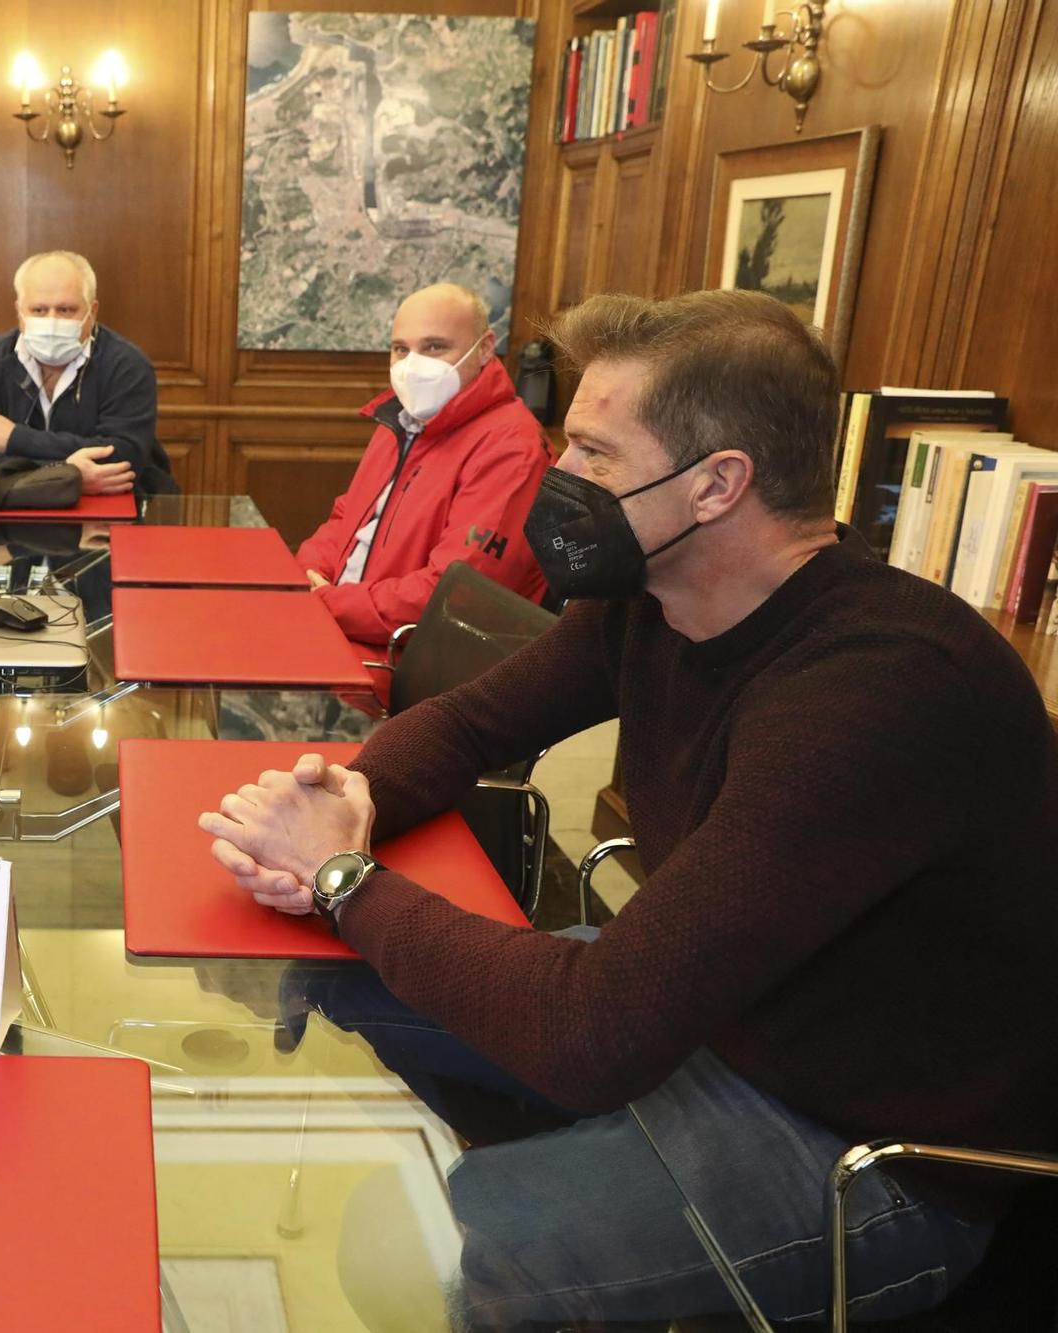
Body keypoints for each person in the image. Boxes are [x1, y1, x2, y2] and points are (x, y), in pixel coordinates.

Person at [201, 289, 1058, 1326]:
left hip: (866, 1153)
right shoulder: (657, 599)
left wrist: (341, 873)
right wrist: (342, 798)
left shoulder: (874, 692)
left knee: (470, 1252)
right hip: (712, 1018)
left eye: (594, 456)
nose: (556, 478)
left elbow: (594, 1029)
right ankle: (575, 1184)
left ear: (715, 484)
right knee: (332, 973)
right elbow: (468, 724)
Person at [295, 283, 550, 645]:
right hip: (343, 631)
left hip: (407, 664)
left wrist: (332, 604)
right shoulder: (401, 420)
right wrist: (307, 574)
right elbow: (346, 519)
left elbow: (456, 595)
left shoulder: (512, 448)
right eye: (401, 349)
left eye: (434, 347)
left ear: (485, 348)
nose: (413, 365)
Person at [0, 250, 175, 498]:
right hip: (7, 518)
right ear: (19, 311)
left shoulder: (127, 365)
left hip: (109, 518)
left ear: (92, 312)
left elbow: (122, 457)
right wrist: (66, 477)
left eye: (65, 310)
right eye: (39, 310)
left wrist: (15, 439)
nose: (52, 321)